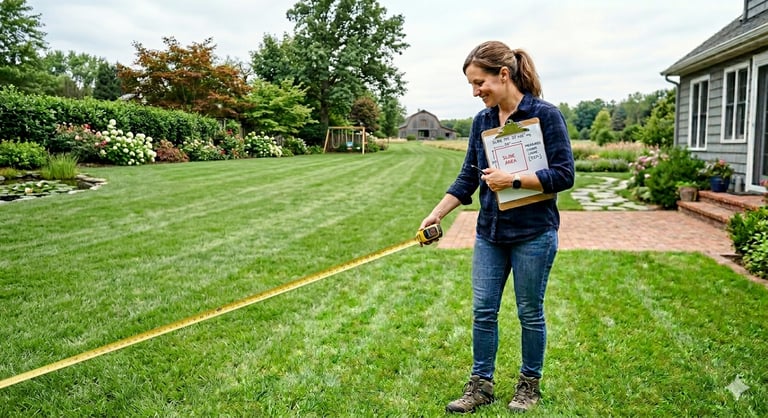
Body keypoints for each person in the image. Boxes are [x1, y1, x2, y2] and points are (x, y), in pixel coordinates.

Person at [419, 40, 574, 413]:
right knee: (483, 311)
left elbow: (564, 175)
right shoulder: (483, 122)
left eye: (479, 83)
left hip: (534, 233)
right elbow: (468, 177)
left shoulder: (545, 115)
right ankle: (481, 386)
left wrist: (514, 180)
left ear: (503, 75)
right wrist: (437, 213)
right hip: (490, 233)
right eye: (471, 85)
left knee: (529, 312)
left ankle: (528, 386)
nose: (475, 92)